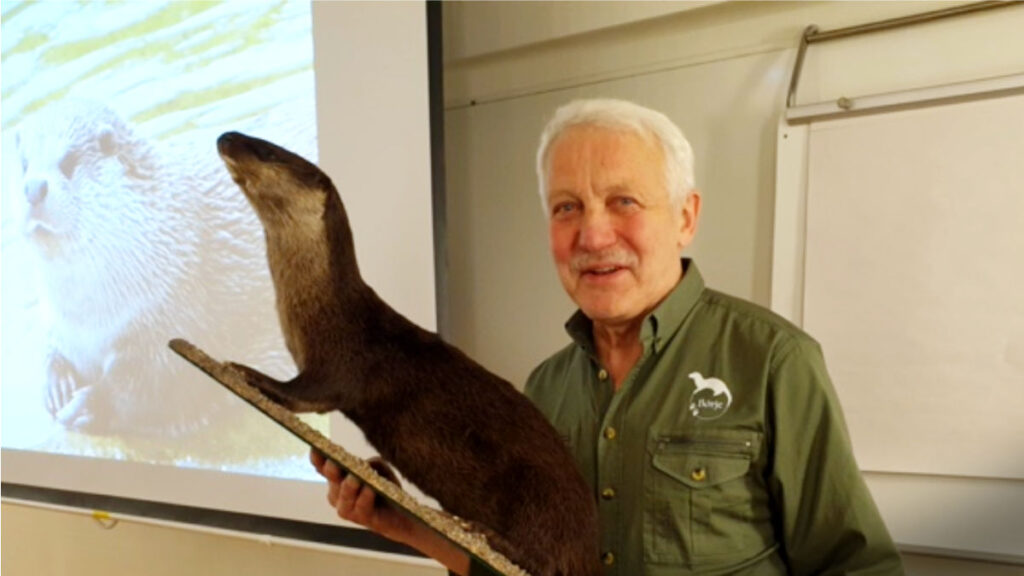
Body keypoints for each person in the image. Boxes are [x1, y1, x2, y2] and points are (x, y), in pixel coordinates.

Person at [311, 98, 904, 575]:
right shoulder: (543, 388)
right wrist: (407, 524)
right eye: (566, 208)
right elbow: (520, 566)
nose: (593, 236)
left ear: (686, 217)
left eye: (623, 201)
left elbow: (857, 567)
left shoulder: (774, 361)